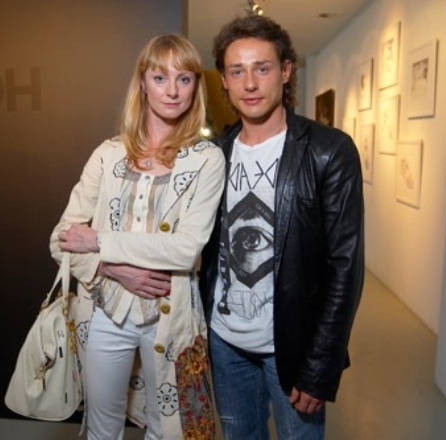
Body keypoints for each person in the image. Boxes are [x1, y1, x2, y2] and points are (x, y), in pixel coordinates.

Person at [49, 33, 224, 440]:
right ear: (143, 83)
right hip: (105, 311)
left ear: (196, 86)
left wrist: (99, 241)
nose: (172, 90)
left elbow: (184, 251)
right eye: (160, 78)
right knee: (102, 429)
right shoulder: (108, 154)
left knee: (167, 430)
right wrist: (115, 270)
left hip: (171, 314)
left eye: (184, 78)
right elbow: (60, 238)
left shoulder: (207, 159)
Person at [198, 15, 365, 439]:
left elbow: (345, 266)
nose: (250, 83)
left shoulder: (329, 151)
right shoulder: (213, 155)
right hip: (225, 343)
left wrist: (321, 364)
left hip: (292, 347)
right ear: (224, 81)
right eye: (237, 71)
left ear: (286, 70)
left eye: (262, 68)